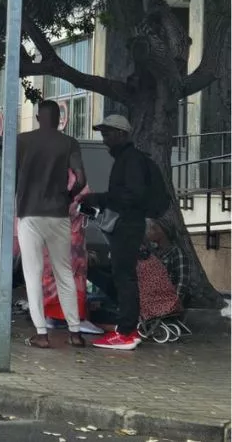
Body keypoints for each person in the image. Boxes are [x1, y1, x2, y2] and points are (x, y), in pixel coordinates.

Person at [16, 100, 87, 349]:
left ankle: (41, 334)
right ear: (59, 119)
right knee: (64, 272)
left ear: (37, 117)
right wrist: (67, 197)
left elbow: (11, 176)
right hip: (58, 214)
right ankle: (75, 332)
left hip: (30, 213)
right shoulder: (69, 143)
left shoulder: (22, 141)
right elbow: (81, 178)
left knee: (32, 273)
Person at [83, 114, 153, 351]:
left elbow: (133, 195)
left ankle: (126, 332)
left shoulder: (130, 160)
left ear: (122, 134)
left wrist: (99, 198)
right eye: (103, 134)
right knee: (122, 276)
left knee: (125, 277)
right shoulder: (126, 158)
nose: (105, 139)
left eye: (108, 134)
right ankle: (127, 329)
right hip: (127, 224)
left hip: (127, 225)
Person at [144, 219, 194, 307]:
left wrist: (173, 304)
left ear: (162, 231)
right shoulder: (154, 253)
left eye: (152, 228)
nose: (148, 232)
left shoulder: (177, 253)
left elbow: (182, 283)